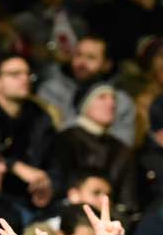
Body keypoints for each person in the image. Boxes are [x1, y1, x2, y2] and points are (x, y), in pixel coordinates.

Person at [0, 54, 56, 208]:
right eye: (15, 74)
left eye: (28, 74)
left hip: (35, 201)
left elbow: (55, 161)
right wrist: (16, 167)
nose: (24, 79)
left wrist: (49, 186)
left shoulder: (40, 117)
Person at [51, 82, 137, 214]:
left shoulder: (121, 149)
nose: (111, 104)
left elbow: (127, 198)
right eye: (102, 97)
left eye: (113, 98)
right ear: (85, 105)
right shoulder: (65, 140)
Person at [37, 35, 136, 147]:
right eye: (78, 55)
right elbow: (49, 134)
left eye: (91, 57)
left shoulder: (120, 100)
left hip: (105, 161)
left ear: (107, 65)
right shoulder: (51, 90)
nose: (81, 63)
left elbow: (124, 143)